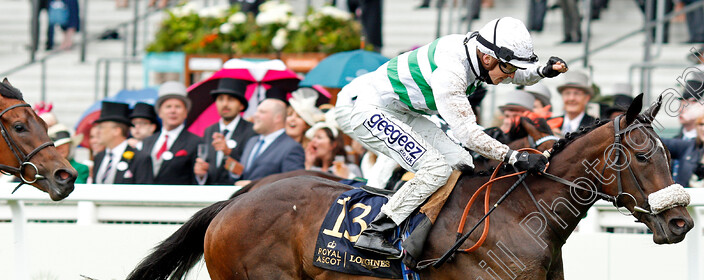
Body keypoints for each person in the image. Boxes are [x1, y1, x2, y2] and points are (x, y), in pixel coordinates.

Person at [334, 17, 568, 257]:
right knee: (435, 169)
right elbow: (468, 134)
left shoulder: (479, 54)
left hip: (403, 111)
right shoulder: (451, 71)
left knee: (462, 161)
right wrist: (514, 157)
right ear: (487, 58)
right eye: (509, 68)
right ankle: (376, 231)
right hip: (373, 111)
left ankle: (426, 226)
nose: (510, 76)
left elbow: (510, 72)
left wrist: (542, 71)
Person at [130, 81, 201, 185]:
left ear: (186, 112)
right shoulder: (147, 141)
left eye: (178, 107)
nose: (173, 111)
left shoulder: (195, 142)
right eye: (168, 106)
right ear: (159, 112)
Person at [221, 98, 305, 184]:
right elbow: (245, 174)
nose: (255, 115)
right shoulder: (251, 141)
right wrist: (235, 173)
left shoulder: (292, 147)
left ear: (277, 117)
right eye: (256, 111)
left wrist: (255, 186)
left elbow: (294, 183)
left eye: (262, 112)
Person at [194, 78, 255, 185]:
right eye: (220, 99)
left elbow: (250, 169)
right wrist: (202, 173)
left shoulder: (251, 131)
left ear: (241, 105)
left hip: (238, 195)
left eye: (230, 99)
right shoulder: (210, 130)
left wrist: (229, 153)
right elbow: (209, 166)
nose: (225, 104)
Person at [91, 102, 137, 184]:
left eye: (102, 127)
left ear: (116, 131)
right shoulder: (99, 157)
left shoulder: (139, 158)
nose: (98, 132)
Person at [555, 70, 597, 136]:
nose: (571, 98)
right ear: (562, 96)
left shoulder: (594, 126)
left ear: (587, 98)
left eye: (577, 94)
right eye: (567, 93)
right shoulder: (551, 124)